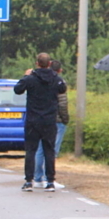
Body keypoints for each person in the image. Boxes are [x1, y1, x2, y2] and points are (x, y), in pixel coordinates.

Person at [14, 53, 67, 192]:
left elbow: (17, 90)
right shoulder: (56, 79)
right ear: (49, 64)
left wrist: (25, 76)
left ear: (37, 63)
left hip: (33, 120)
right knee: (49, 150)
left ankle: (29, 181)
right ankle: (50, 181)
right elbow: (63, 89)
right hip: (49, 120)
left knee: (31, 150)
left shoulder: (31, 79)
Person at [33, 60, 69, 188]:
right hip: (56, 121)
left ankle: (37, 178)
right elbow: (62, 103)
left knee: (40, 150)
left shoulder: (38, 80)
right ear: (60, 70)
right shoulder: (59, 82)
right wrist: (65, 119)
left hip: (40, 119)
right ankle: (49, 179)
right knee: (52, 150)